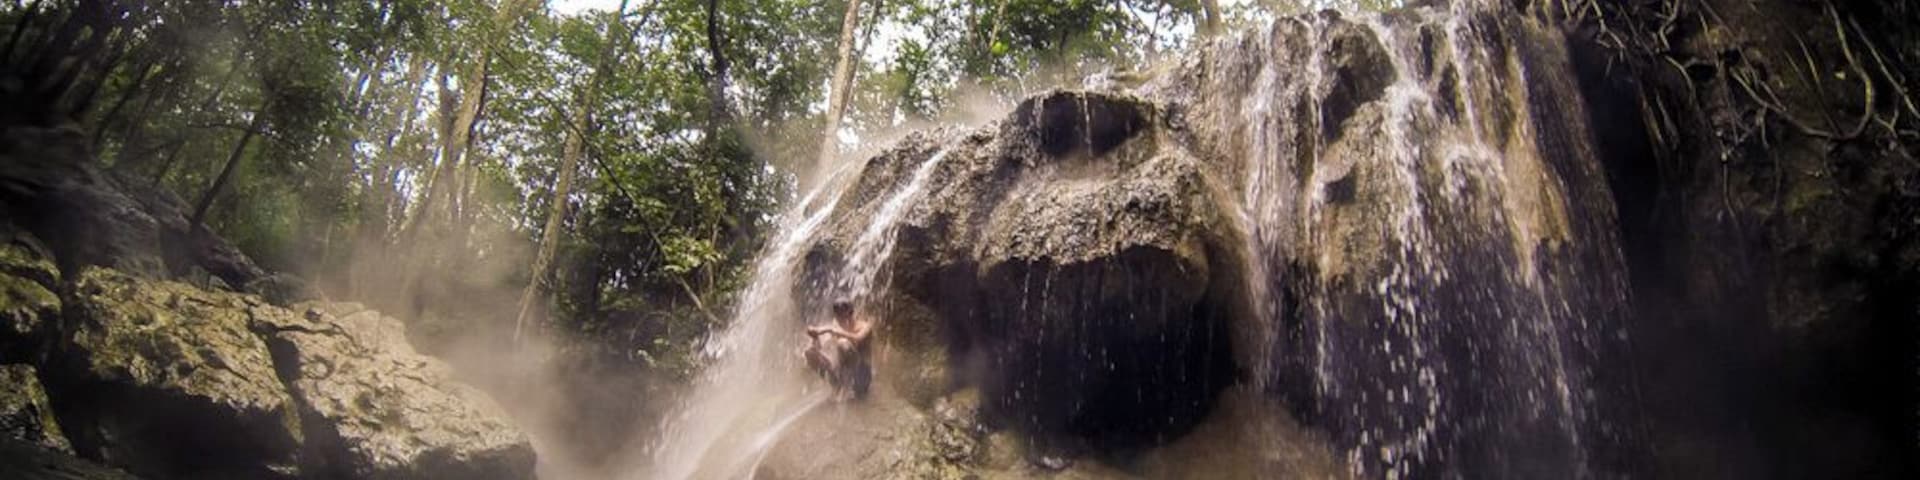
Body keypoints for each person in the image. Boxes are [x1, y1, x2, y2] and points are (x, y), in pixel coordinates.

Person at [803, 300, 872, 401]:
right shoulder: (836, 325)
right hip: (841, 375)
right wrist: (815, 337)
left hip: (861, 376)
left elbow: (857, 338)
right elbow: (823, 344)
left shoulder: (865, 326)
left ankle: (846, 390)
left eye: (843, 314)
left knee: (843, 344)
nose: (841, 318)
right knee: (809, 353)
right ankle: (838, 388)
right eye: (838, 315)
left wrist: (832, 330)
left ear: (851, 312)